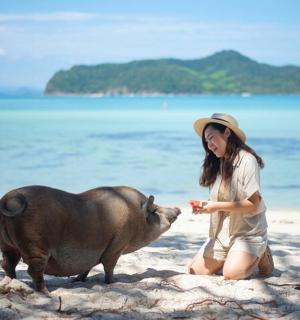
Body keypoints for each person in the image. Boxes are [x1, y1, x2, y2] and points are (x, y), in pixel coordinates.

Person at [187, 113, 274, 280]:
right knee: (193, 271)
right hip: (223, 233)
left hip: (248, 233)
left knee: (231, 274)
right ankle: (235, 256)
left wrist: (216, 206)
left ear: (227, 132)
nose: (209, 145)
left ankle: (262, 253)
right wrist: (206, 205)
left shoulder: (247, 161)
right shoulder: (217, 163)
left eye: (211, 138)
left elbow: (253, 204)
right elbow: (221, 201)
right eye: (206, 141)